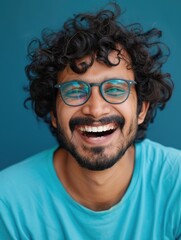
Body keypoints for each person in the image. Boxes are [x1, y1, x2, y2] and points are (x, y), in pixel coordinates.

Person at [0, 3, 181, 239]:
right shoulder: (7, 203)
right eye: (75, 90)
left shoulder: (176, 183)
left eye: (116, 89)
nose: (95, 109)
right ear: (54, 114)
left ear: (141, 109)